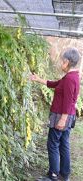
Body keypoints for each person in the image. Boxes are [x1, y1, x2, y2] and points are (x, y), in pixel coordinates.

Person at [30, 48, 81, 181]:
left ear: (67, 62)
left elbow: (68, 100)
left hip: (61, 116)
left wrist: (62, 119)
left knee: (53, 144)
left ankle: (53, 175)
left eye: (62, 61)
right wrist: (38, 79)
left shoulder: (70, 78)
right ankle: (64, 175)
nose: (60, 64)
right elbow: (55, 84)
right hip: (67, 115)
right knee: (64, 144)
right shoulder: (72, 76)